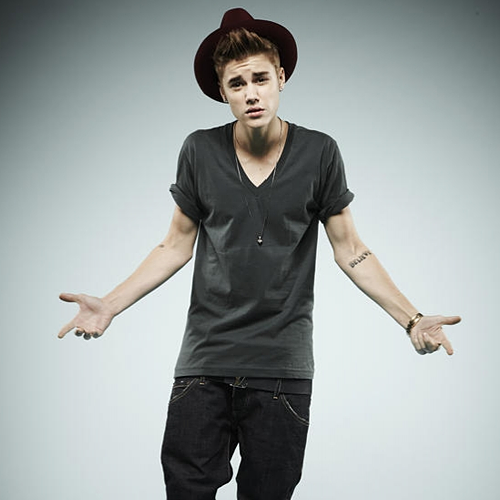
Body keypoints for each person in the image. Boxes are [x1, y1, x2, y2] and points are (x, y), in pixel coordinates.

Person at [57, 8, 461, 500]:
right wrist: (109, 305)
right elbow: (175, 244)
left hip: (281, 370)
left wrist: (411, 319)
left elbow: (351, 249)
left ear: (281, 78)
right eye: (237, 83)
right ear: (222, 92)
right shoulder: (199, 150)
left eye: (260, 79)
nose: (251, 93)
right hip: (204, 365)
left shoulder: (319, 152)